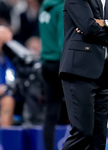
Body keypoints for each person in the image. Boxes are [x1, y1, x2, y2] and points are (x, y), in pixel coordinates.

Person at [59, 0, 108, 149]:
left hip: (103, 73)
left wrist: (105, 23)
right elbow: (89, 26)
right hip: (79, 71)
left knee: (99, 136)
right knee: (83, 132)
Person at [38, 0, 66, 150]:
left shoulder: (44, 7)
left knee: (50, 112)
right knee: (76, 110)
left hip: (46, 63)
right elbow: (63, 40)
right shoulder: (61, 8)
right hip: (60, 63)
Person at [0, 25, 15, 127]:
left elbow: (12, 77)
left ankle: (4, 138)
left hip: (6, 93)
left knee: (8, 100)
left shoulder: (6, 57)